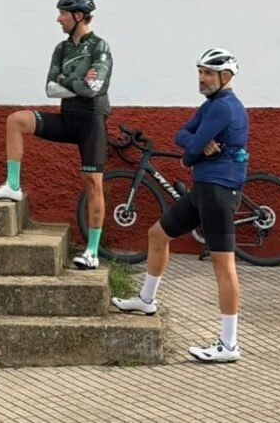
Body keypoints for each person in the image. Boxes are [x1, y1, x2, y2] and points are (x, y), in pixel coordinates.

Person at [111, 48, 249, 363]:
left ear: (225, 76)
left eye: (208, 73)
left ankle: (229, 345)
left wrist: (192, 151)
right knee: (157, 235)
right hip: (203, 190)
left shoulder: (224, 107)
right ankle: (146, 300)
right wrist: (194, 147)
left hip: (219, 192)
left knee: (224, 266)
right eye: (200, 72)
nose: (201, 78)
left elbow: (191, 150)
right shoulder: (211, 105)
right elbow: (182, 135)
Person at [0, 0, 113, 270]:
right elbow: (51, 88)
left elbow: (94, 89)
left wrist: (67, 79)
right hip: (67, 117)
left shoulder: (100, 46)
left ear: (78, 16)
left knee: (92, 183)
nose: (58, 19)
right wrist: (78, 80)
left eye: (63, 14)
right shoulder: (61, 49)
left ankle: (92, 251)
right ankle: (13, 186)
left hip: (91, 121)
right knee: (16, 120)